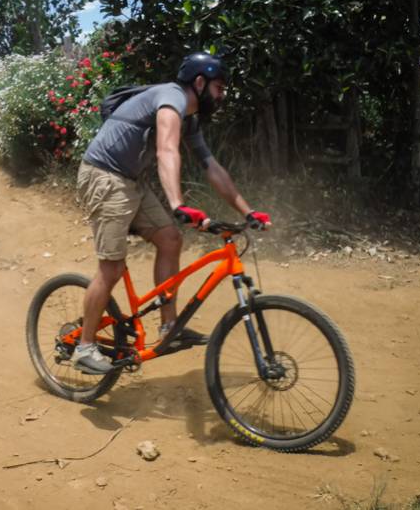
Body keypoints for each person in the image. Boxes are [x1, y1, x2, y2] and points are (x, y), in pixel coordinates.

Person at [72, 52, 271, 374]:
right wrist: (177, 203)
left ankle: (169, 328)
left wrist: (249, 212)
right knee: (111, 267)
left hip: (131, 181)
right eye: (219, 88)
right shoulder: (170, 98)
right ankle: (84, 347)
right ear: (199, 82)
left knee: (170, 239)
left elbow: (212, 167)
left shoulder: (189, 118)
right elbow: (167, 148)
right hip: (104, 176)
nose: (222, 96)